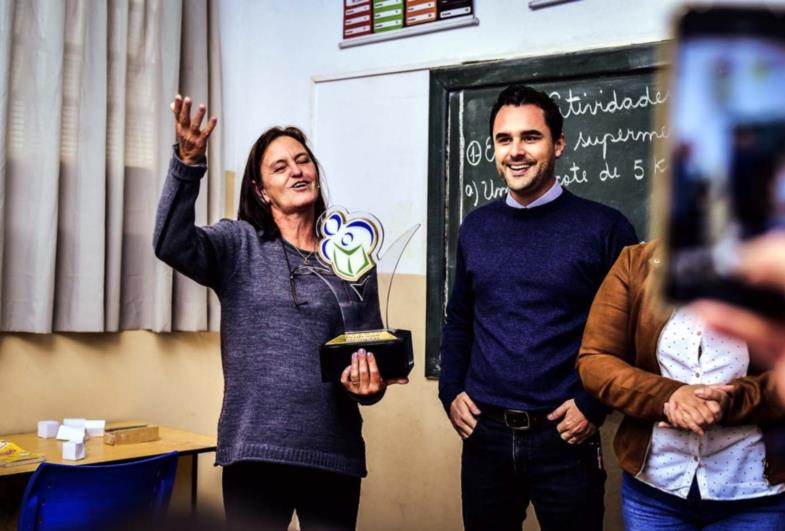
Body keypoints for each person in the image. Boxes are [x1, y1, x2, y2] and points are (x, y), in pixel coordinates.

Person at [154, 95, 407, 530]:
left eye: (303, 161)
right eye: (280, 167)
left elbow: (365, 357)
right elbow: (170, 243)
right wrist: (187, 164)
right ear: (260, 190)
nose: (296, 171)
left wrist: (370, 386)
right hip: (254, 452)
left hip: (333, 454)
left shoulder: (352, 257)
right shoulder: (238, 245)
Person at [438, 84, 637, 530]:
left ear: (558, 144)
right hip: (485, 438)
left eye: (530, 137)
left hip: (565, 439)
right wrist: (449, 391)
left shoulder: (605, 228)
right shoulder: (476, 227)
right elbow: (460, 320)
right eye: (504, 139)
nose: (516, 151)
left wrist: (592, 405)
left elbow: (631, 332)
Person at [577, 240, 785, 530]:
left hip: (753, 491)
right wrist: (669, 396)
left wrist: (731, 402)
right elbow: (596, 359)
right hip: (656, 491)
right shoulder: (637, 263)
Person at [693, 230, 785, 403]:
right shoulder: (643, 261)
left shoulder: (767, 272)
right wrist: (672, 393)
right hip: (660, 417)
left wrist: (730, 402)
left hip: (752, 415)